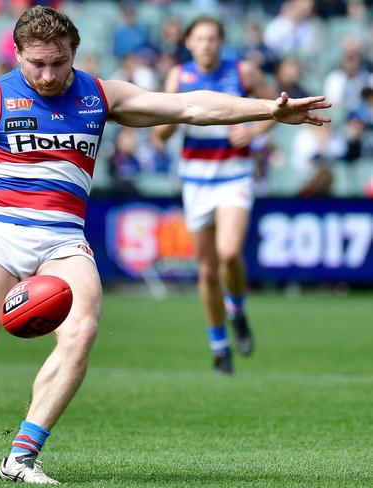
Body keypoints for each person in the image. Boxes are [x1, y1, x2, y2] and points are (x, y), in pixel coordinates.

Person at [0, 6, 329, 483]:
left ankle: (22, 456)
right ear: (18, 55)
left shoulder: (98, 95)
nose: (48, 75)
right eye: (37, 63)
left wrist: (269, 110)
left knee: (82, 330)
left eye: (59, 62)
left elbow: (188, 107)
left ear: (75, 54)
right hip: (1, 232)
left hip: (64, 239)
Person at [153, 16, 283, 375]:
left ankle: (237, 310)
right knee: (207, 271)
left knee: (229, 252)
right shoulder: (179, 77)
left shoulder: (243, 72)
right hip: (196, 180)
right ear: (190, 43)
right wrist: (165, 127)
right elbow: (159, 134)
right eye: (200, 38)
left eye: (213, 38)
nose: (207, 44)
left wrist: (254, 131)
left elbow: (278, 107)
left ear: (221, 41)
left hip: (234, 175)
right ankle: (219, 346)